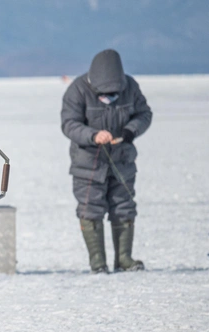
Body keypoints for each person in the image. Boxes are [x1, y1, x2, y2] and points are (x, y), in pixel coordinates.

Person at [61, 49, 152, 273]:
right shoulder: (77, 89)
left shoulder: (130, 87)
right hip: (88, 163)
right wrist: (93, 135)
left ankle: (124, 259)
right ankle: (98, 263)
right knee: (90, 209)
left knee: (124, 207)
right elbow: (69, 124)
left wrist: (130, 131)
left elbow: (144, 114)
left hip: (122, 160)